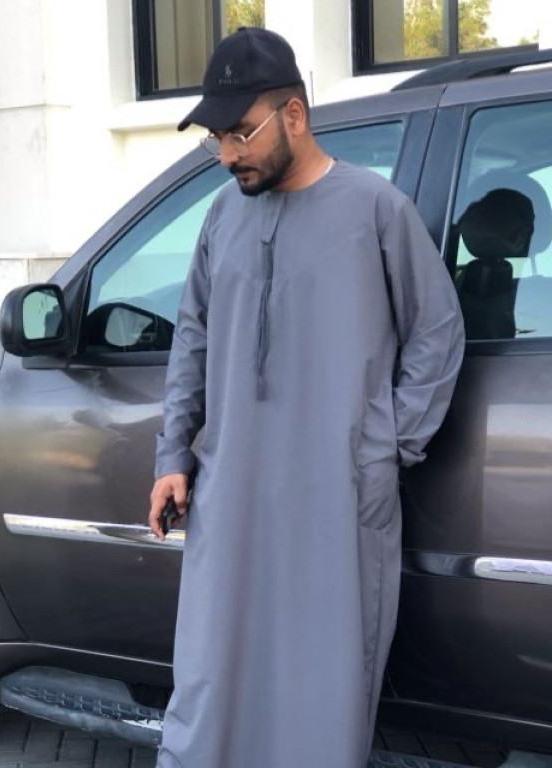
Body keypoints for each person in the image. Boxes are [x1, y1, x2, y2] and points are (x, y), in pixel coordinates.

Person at [148, 26, 465, 768]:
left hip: (336, 497)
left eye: (239, 133)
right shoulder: (222, 216)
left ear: (293, 114)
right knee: (212, 674)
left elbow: (436, 332)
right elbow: (192, 338)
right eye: (217, 139)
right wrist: (172, 457)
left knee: (322, 686)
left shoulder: (375, 209)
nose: (226, 155)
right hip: (232, 492)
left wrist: (386, 445)